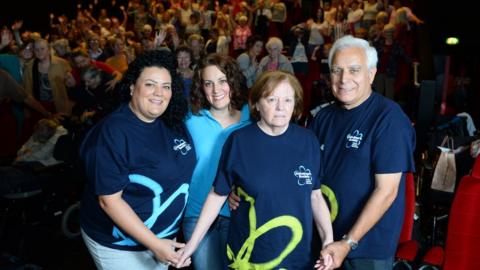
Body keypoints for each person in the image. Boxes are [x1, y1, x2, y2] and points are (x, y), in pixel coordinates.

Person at [177, 71, 334, 269]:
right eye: (272, 99)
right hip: (249, 257)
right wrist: (192, 245)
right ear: (257, 104)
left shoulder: (308, 141)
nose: (280, 108)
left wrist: (328, 240)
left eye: (287, 100)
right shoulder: (239, 141)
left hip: (297, 257)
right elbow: (217, 196)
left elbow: (316, 197)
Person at [79, 50, 196, 270]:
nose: (159, 93)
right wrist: (155, 245)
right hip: (120, 246)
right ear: (132, 87)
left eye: (166, 86)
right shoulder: (113, 132)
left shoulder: (172, 121)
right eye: (150, 84)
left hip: (163, 240)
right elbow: (109, 201)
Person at [308, 35, 416, 269]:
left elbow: (387, 192)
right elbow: (302, 174)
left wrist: (348, 243)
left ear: (371, 74)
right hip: (323, 240)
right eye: (337, 70)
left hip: (366, 248)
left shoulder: (389, 120)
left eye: (354, 70)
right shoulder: (322, 117)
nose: (344, 79)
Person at [182, 53, 250, 270]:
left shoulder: (252, 117)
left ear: (233, 81)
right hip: (197, 211)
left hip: (237, 213)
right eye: (208, 83)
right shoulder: (191, 118)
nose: (216, 90)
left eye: (222, 81)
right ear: (200, 87)